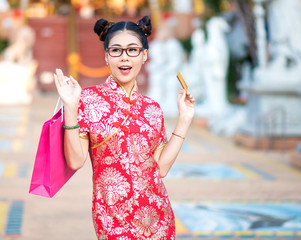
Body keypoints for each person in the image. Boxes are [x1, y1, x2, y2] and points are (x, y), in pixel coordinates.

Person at [53, 16, 195, 239]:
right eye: (116, 50)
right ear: (106, 56)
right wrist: (71, 108)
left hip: (158, 219)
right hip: (112, 221)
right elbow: (75, 161)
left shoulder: (152, 108)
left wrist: (184, 119)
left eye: (132, 50)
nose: (124, 57)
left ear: (145, 55)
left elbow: (161, 168)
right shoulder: (87, 100)